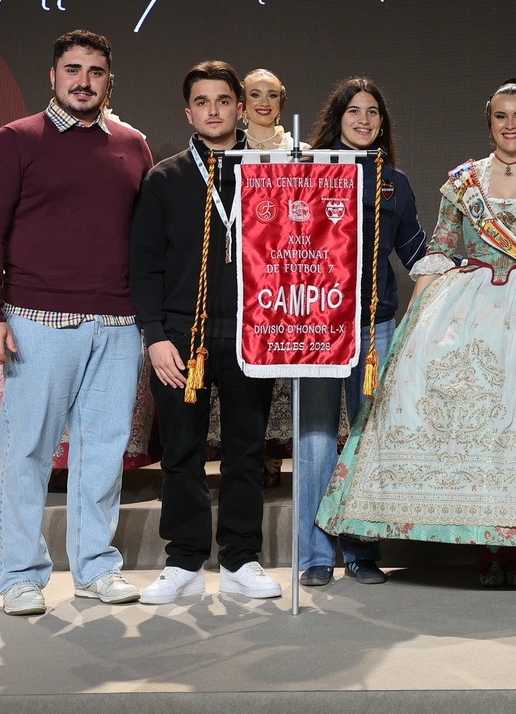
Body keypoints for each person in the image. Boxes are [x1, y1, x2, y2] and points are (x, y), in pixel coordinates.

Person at [320, 80, 516, 588]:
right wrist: (414, 319)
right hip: (466, 312)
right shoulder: (463, 182)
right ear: (489, 124)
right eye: (500, 116)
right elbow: (439, 250)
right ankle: (488, 549)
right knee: (480, 431)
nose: (510, 125)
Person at [0, 30, 153, 616]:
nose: (83, 81)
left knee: (103, 452)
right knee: (27, 451)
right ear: (53, 76)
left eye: (95, 71)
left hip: (117, 324)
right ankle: (20, 576)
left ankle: (96, 567)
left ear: (109, 81)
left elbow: (144, 240)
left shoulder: (133, 145)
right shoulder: (14, 140)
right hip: (38, 322)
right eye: (72, 69)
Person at [129, 61, 281, 604]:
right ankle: (184, 561)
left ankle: (241, 559)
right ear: (188, 113)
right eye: (202, 102)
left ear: (240, 108)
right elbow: (144, 266)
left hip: (250, 333)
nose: (213, 111)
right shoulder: (165, 178)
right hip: (180, 338)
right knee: (182, 453)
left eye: (222, 101)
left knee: (246, 451)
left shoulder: (270, 173)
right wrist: (155, 336)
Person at [295, 77, 429, 587]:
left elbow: (416, 252)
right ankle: (314, 555)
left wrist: (469, 271)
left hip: (376, 325)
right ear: (338, 117)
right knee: (315, 440)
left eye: (373, 112)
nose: (364, 120)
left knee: (368, 439)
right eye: (354, 110)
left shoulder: (394, 181)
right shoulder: (306, 172)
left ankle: (361, 550)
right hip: (316, 324)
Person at [231, 68, 302, 487]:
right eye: (255, 94)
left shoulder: (300, 151)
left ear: (282, 101)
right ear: (242, 103)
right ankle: (248, 457)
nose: (263, 102)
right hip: (242, 275)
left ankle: (274, 454)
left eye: (271, 95)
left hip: (288, 273)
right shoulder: (228, 150)